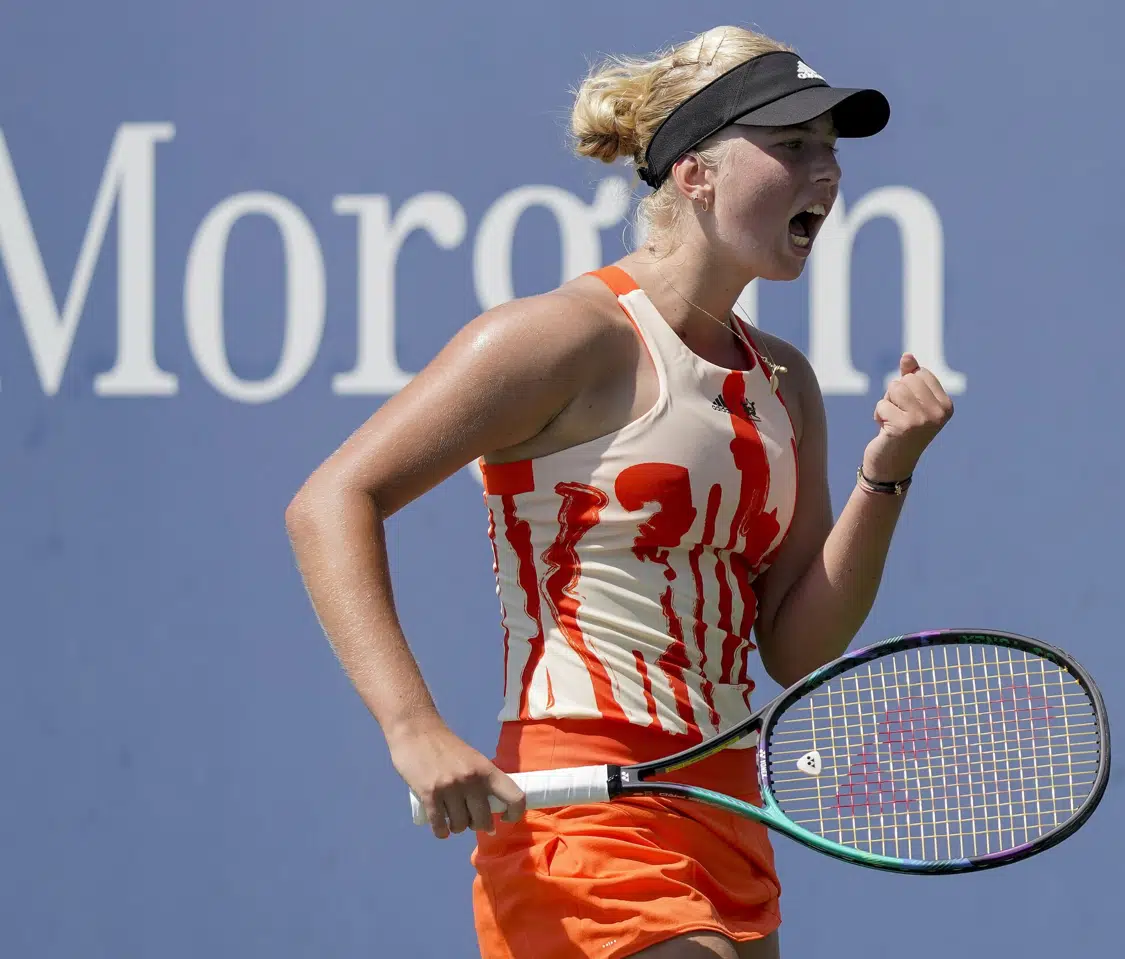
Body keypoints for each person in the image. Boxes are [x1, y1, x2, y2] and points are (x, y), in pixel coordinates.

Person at [285, 24, 954, 959]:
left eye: (831, 150)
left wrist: (888, 472)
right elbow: (330, 500)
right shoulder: (565, 338)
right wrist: (414, 726)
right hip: (582, 813)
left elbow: (797, 646)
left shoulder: (787, 385)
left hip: (728, 813)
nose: (827, 174)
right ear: (696, 173)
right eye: (793, 146)